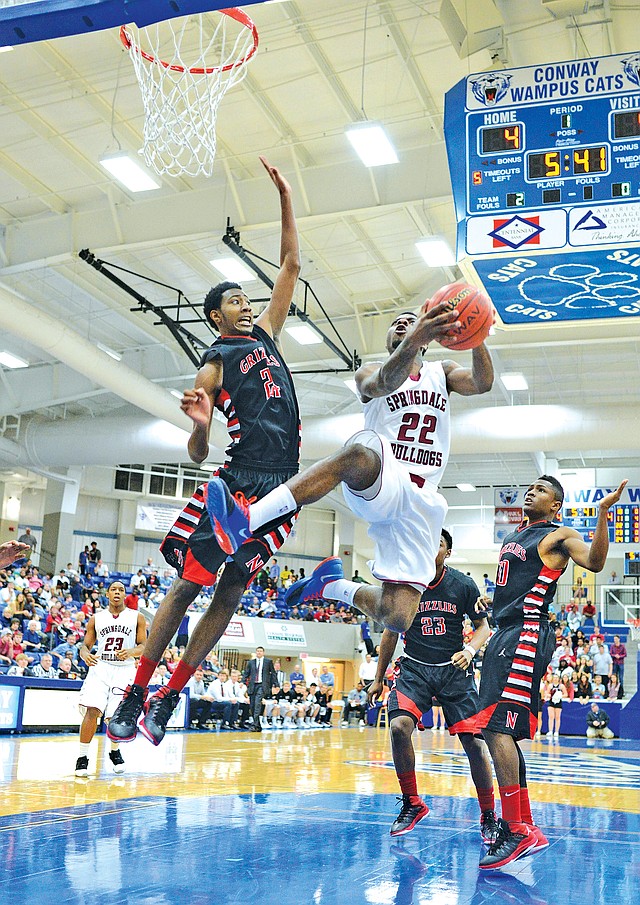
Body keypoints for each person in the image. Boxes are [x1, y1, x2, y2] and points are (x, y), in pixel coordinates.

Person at [106, 156, 302, 747]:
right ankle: (138, 688)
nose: (248, 304)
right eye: (237, 301)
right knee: (189, 586)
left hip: (282, 484)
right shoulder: (214, 360)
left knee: (234, 588)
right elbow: (197, 454)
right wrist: (198, 426)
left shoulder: (265, 334)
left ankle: (170, 696)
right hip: (237, 478)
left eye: (249, 299)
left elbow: (292, 263)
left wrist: (287, 199)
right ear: (217, 315)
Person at [206, 300, 493, 639]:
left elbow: (482, 382)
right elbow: (384, 383)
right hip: (383, 475)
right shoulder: (368, 370)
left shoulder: (441, 372)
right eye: (397, 323)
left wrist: (476, 334)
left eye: (410, 322)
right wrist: (415, 337)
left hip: (422, 499)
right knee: (358, 452)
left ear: (429, 340)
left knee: (397, 615)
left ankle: (333, 586)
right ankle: (247, 521)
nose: (402, 325)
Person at [475, 475, 626, 870]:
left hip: (524, 633)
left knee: (495, 728)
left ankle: (516, 830)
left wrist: (603, 513)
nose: (531, 491)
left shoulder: (559, 535)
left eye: (542, 489)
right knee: (498, 729)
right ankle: (525, 824)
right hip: (505, 630)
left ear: (556, 505)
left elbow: (593, 562)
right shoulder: (517, 536)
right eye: (531, 486)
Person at [369, 529, 497, 842]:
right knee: (398, 727)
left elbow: (483, 627)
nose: (430, 547)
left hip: (454, 670)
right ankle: (412, 803)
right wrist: (377, 677)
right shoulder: (405, 585)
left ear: (447, 552)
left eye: (437, 543)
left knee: (475, 745)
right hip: (415, 668)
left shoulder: (463, 584)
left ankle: (488, 814)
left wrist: (468, 651)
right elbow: (389, 633)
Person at [74, 580, 147, 777]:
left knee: (114, 718)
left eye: (121, 590)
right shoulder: (96, 618)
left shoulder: (137, 617)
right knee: (92, 710)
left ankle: (114, 751)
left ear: (125, 595)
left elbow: (144, 646)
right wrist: (84, 654)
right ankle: (82, 757)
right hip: (101, 667)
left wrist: (131, 651)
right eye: (113, 589)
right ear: (107, 594)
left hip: (124, 669)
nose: (117, 592)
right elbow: (85, 646)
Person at [242, 646, 278, 733]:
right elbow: (246, 673)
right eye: (257, 651)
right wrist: (242, 681)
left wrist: (276, 684)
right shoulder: (251, 662)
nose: (259, 653)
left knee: (258, 703)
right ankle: (258, 725)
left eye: (260, 651)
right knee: (253, 706)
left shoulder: (268, 662)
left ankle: (254, 725)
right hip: (252, 685)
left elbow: (273, 673)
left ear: (263, 653)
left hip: (262, 685)